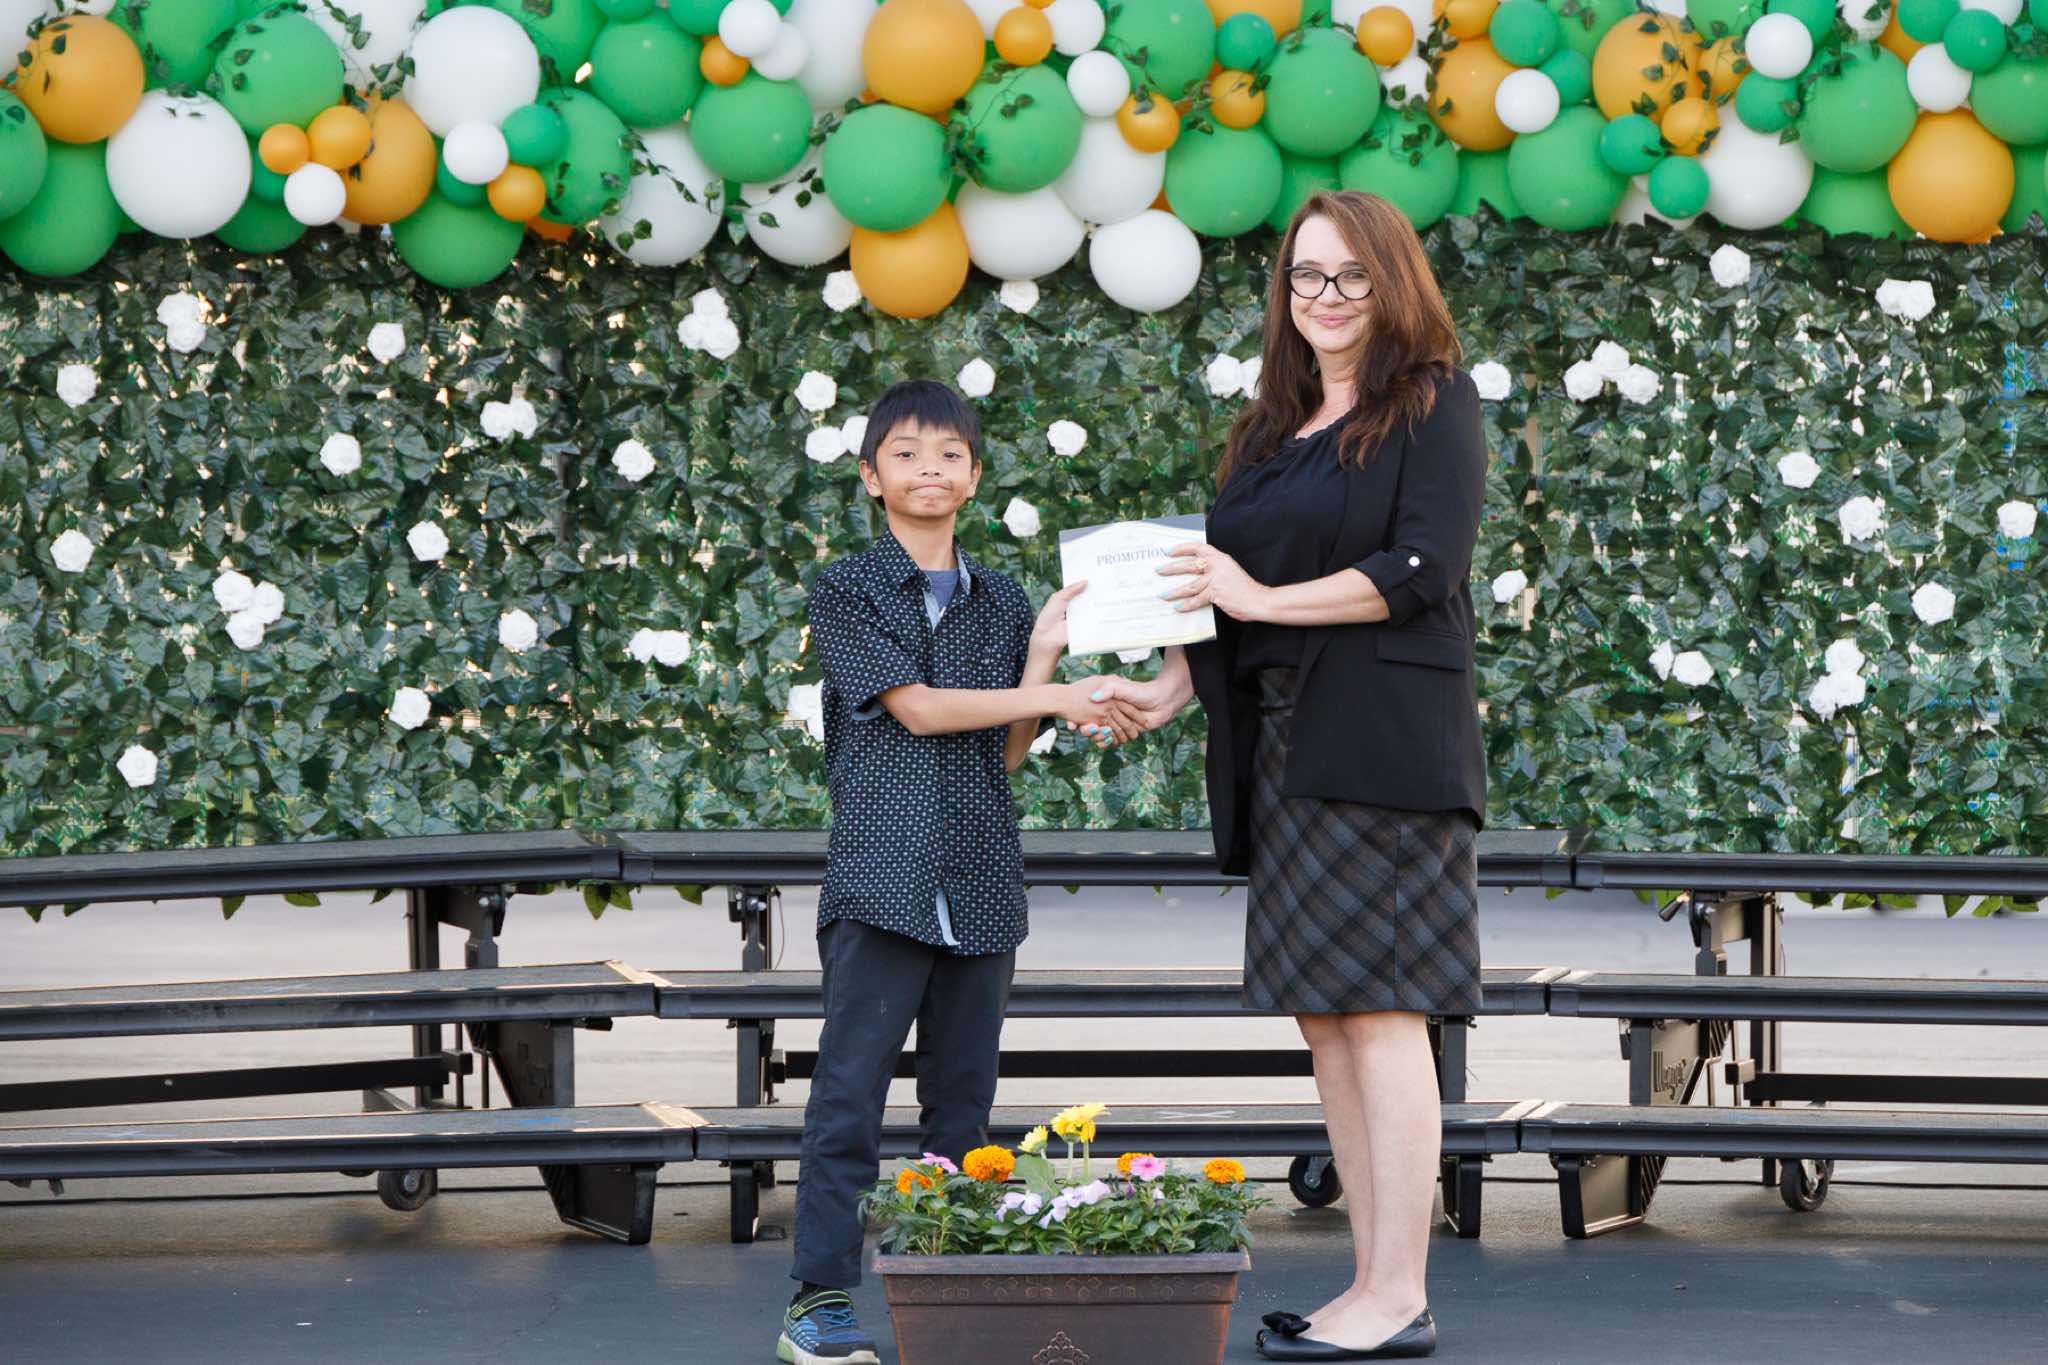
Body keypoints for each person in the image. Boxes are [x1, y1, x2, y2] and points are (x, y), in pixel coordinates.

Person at [1099, 191, 1488, 1362]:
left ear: (1392, 283)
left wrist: (1258, 595)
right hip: (1281, 748)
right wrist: (1165, 686)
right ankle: (1370, 1283)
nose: (1325, 296)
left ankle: (1398, 1292)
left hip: (1381, 747)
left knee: (1382, 1012)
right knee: (1327, 1018)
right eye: (1304, 276)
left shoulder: (1432, 402)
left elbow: (1418, 568)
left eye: (1350, 275)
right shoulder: (1269, 431)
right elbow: (1224, 597)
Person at [780, 379, 1133, 1365]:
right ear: (870, 476)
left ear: (974, 477)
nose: (928, 469)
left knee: (964, 1105)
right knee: (848, 1096)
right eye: (905, 453)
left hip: (979, 880)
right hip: (880, 881)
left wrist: (1042, 660)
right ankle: (818, 1300)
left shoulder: (1007, 601)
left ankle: (952, 1281)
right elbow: (921, 710)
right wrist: (1055, 694)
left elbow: (1002, 753)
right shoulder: (848, 588)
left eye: (948, 454)